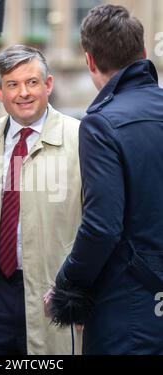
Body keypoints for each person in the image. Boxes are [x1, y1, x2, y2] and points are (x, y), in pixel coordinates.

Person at [47, 4, 163, 355]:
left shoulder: (101, 122)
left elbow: (102, 226)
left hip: (128, 303)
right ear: (142, 53)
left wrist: (67, 284)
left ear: (90, 61)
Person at [0, 45, 82, 355]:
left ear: (48, 85)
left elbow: (99, 222)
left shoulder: (81, 139)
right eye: (12, 84)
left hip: (53, 294)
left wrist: (84, 290)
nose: (23, 93)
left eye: (32, 82)